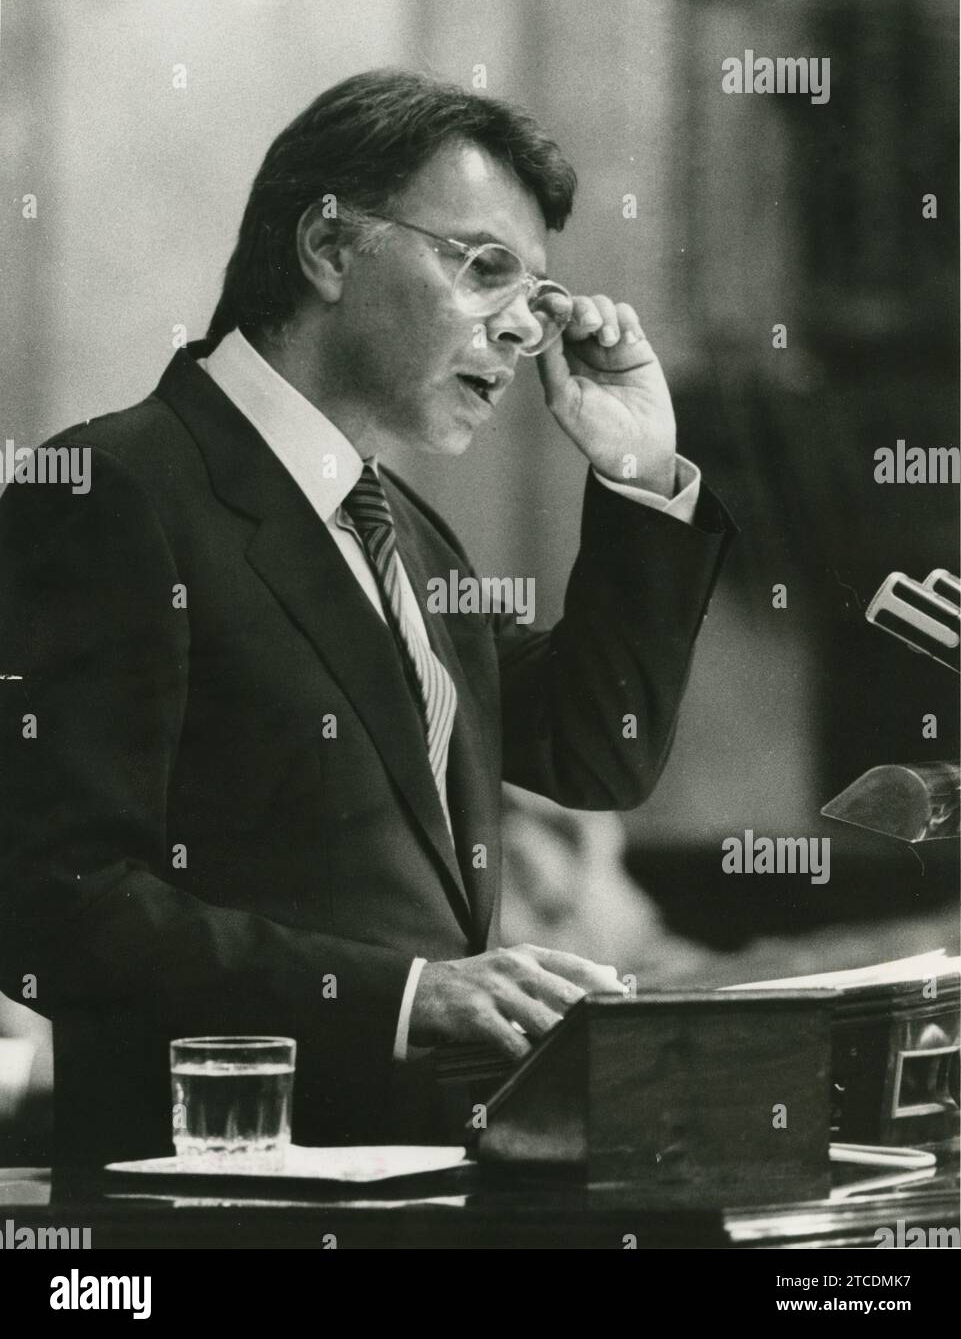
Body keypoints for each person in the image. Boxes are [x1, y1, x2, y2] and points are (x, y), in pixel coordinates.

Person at [0, 69, 735, 1164]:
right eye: (483, 268)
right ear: (330, 248)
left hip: (424, 1183)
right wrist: (401, 997)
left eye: (535, 295)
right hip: (208, 1200)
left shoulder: (405, 533)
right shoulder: (110, 488)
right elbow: (47, 904)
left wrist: (638, 474)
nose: (522, 332)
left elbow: (597, 751)